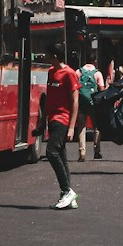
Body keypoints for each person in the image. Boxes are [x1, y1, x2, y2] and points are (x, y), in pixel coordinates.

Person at [42, 50, 81, 209]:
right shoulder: (51, 72)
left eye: (48, 55)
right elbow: (49, 96)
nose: (46, 58)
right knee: (61, 156)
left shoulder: (69, 73)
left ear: (55, 56)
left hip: (63, 119)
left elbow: (75, 101)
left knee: (51, 152)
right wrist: (41, 120)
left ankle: (66, 190)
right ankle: (68, 194)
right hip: (52, 118)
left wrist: (72, 127)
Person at [75, 55, 103, 162]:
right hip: (93, 104)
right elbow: (101, 88)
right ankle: (97, 151)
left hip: (82, 103)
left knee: (81, 127)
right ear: (94, 61)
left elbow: (74, 86)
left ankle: (82, 152)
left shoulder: (78, 72)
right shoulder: (97, 73)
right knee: (97, 127)